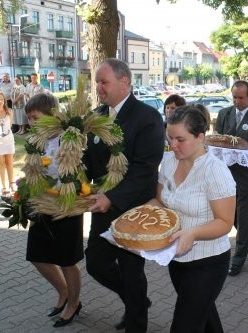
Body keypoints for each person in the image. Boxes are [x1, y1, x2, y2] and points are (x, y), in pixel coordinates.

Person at [83, 58, 164, 332]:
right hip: (103, 205)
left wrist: (113, 198)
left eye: (103, 82)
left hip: (133, 207)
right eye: (97, 83)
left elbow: (145, 168)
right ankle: (137, 302)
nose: (99, 88)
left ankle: (136, 322)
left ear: (124, 82)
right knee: (95, 264)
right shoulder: (97, 116)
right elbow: (89, 159)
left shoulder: (147, 117)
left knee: (131, 271)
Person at [147, 105, 236, 332]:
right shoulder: (168, 161)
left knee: (185, 325)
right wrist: (139, 215)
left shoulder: (215, 171)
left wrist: (193, 232)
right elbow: (161, 201)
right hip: (176, 259)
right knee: (203, 317)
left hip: (208, 262)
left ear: (200, 137)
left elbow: (225, 222)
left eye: (180, 139)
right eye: (169, 138)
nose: (173, 145)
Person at [24, 93, 84, 328]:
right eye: (29, 119)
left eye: (35, 117)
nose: (31, 123)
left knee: (68, 260)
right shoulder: (37, 141)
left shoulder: (68, 138)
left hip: (67, 206)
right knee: (37, 255)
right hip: (42, 205)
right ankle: (64, 291)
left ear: (51, 115)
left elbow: (76, 172)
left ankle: (73, 303)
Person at [215, 80, 248, 276]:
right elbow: (218, 139)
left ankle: (238, 259)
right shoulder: (224, 114)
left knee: (243, 218)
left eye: (241, 98)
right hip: (225, 175)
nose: (237, 101)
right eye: (234, 97)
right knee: (229, 217)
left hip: (246, 176)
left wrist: (240, 148)